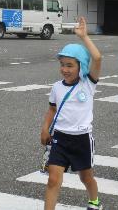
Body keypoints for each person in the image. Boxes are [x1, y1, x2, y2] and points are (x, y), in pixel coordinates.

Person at [41, 17, 103, 210]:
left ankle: (94, 201)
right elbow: (52, 109)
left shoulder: (88, 84)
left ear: (81, 67)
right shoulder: (57, 87)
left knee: (86, 177)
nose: (64, 69)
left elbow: (98, 58)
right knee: (53, 180)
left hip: (82, 139)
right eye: (62, 64)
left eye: (70, 65)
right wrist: (45, 128)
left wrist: (84, 37)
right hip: (60, 138)